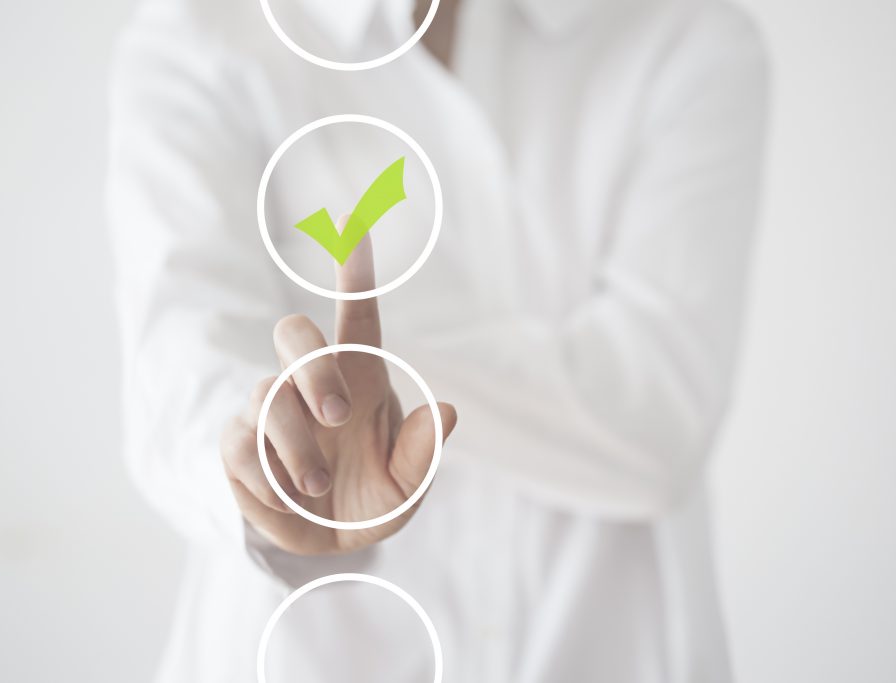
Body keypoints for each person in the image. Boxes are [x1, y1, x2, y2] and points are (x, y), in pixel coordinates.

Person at [107, 0, 768, 680]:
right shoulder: (202, 34)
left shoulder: (684, 35)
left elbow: (659, 420)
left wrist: (375, 371)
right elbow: (181, 384)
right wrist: (272, 463)